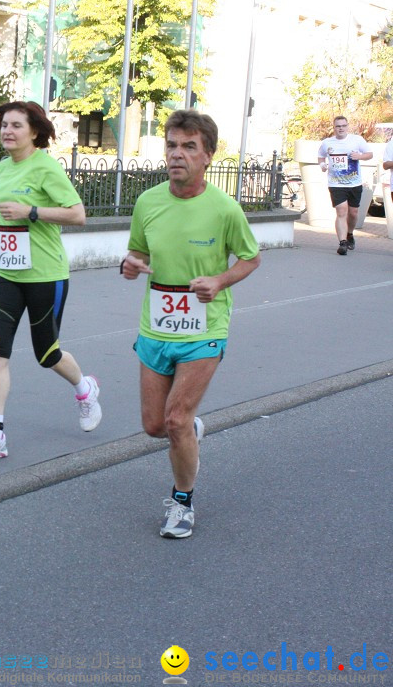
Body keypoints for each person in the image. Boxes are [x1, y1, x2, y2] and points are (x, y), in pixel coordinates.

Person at [120, 110, 261, 539]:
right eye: (171, 145)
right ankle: (189, 433)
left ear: (207, 156)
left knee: (177, 420)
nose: (176, 154)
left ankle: (182, 502)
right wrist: (131, 266)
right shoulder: (148, 202)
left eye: (188, 146)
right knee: (155, 426)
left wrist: (219, 281)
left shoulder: (224, 209)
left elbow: (251, 257)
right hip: (157, 326)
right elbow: (138, 255)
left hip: (204, 329)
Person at [0, 100, 102, 462]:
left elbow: (78, 215)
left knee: (47, 353)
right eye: (3, 125)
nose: (7, 131)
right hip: (7, 274)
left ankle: (85, 389)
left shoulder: (46, 168)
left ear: (35, 132)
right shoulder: (2, 169)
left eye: (15, 126)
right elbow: (9, 212)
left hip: (46, 275)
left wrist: (33, 212)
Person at [317, 116, 372, 255]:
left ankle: (350, 234)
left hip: (354, 183)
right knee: (341, 211)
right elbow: (320, 155)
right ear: (334, 128)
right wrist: (322, 164)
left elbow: (369, 154)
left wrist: (359, 157)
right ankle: (342, 243)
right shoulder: (327, 143)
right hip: (336, 183)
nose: (341, 128)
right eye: (338, 126)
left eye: (343, 125)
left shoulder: (357, 140)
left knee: (353, 213)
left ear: (347, 126)